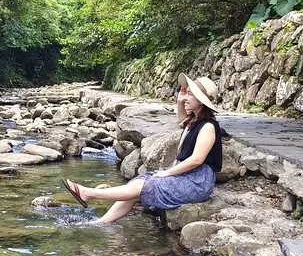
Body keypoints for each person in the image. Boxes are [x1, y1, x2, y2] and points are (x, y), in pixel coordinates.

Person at [62, 73, 223, 223]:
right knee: (137, 183)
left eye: (190, 94)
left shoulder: (208, 126)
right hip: (188, 176)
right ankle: (100, 223)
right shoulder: (194, 120)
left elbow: (197, 160)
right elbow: (182, 122)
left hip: (198, 182)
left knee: (143, 186)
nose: (186, 97)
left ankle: (89, 193)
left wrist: (168, 172)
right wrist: (180, 101)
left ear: (201, 100)